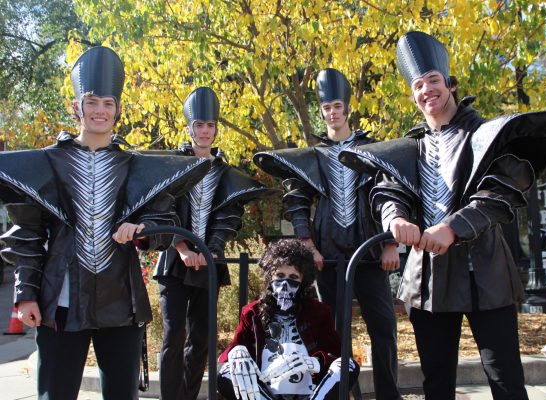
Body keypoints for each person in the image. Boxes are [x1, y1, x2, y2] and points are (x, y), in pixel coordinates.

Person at [338, 31, 546, 400]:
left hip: (485, 274)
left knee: (505, 378)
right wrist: (396, 220)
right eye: (418, 85)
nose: (427, 90)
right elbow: (389, 191)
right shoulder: (412, 147)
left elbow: (499, 192)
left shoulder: (487, 134)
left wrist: (453, 228)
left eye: (433, 81)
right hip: (429, 280)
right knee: (436, 382)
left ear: (450, 84)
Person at [0, 46, 210, 400]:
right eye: (92, 101)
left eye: (108, 103)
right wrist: (26, 295)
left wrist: (142, 231)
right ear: (76, 107)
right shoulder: (48, 162)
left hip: (122, 303)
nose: (100, 111)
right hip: (61, 302)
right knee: (55, 394)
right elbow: (28, 234)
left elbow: (162, 218)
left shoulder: (136, 165)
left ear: (118, 111)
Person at [253, 68, 400, 400]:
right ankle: (342, 395)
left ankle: (389, 396)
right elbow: (297, 199)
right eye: (326, 107)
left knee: (384, 329)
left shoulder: (370, 148)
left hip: (370, 254)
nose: (332, 112)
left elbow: (389, 194)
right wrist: (307, 245)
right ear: (321, 112)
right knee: (334, 333)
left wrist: (390, 242)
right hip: (329, 257)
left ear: (347, 107)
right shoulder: (314, 154)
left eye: (337, 105)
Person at [153, 87, 274, 400]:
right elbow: (162, 210)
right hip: (173, 262)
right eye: (199, 125)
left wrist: (213, 251)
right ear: (189, 128)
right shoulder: (170, 166)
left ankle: (189, 397)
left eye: (210, 126)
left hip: (210, 263)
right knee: (173, 336)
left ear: (216, 129)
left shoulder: (224, 171)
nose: (205, 131)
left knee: (202, 339)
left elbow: (229, 216)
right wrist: (181, 248)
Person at [217, 239, 359, 400]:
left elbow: (337, 355)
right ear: (270, 275)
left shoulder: (317, 311)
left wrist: (313, 362)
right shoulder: (252, 312)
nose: (285, 284)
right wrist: (236, 351)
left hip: (310, 390)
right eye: (279, 275)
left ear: (302, 281)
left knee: (349, 366)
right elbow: (231, 352)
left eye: (293, 276)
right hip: (265, 391)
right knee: (226, 371)